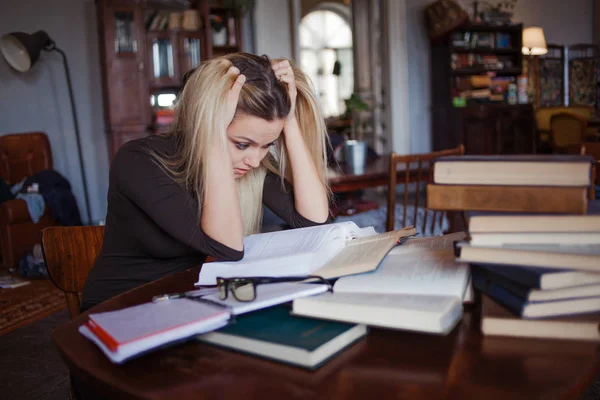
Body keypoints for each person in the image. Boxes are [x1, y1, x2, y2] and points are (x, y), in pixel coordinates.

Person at [81, 53, 331, 311]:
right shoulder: (139, 160)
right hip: (119, 307)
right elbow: (228, 247)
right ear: (210, 123)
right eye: (243, 144)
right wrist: (213, 131)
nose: (255, 160)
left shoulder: (243, 166)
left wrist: (288, 121)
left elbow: (313, 221)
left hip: (183, 301)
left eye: (266, 145)